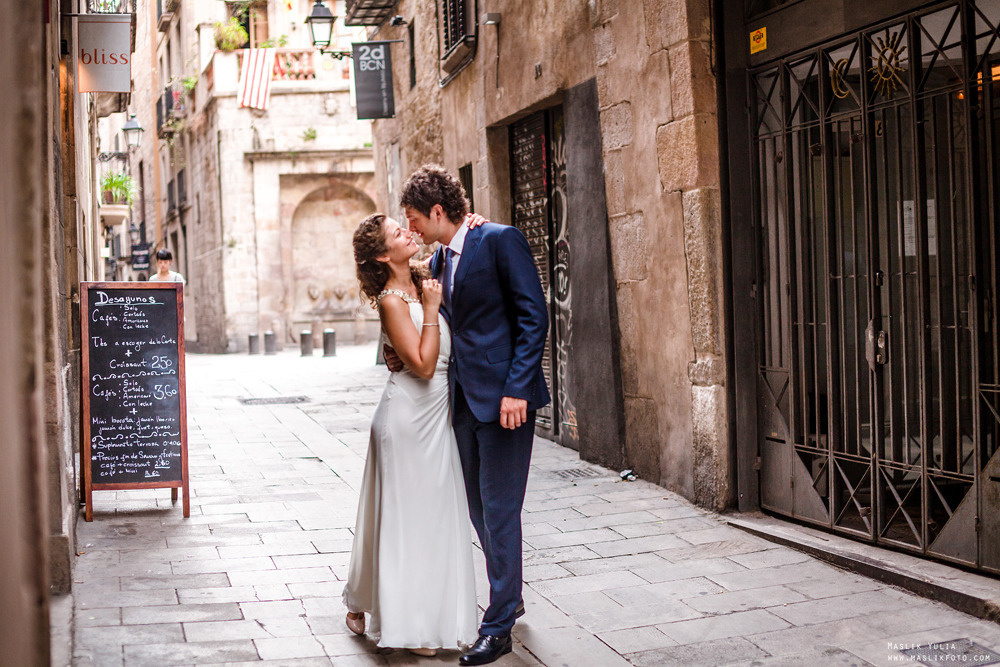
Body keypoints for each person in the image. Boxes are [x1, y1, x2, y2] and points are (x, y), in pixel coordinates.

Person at [399, 165, 550, 666]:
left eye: (416, 218)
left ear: (438, 211)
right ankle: (512, 592)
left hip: (505, 403)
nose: (413, 228)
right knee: (478, 508)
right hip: (462, 400)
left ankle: (499, 623)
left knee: (500, 509)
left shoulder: (501, 240)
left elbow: (533, 315)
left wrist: (517, 389)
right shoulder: (441, 256)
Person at [342, 213, 479, 657]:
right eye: (398, 233)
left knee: (434, 517)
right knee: (405, 520)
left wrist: (471, 219)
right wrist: (434, 312)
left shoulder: (429, 274)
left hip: (438, 414)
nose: (409, 233)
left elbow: (456, 236)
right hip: (405, 418)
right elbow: (420, 365)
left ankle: (424, 612)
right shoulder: (391, 299)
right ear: (384, 254)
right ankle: (411, 623)